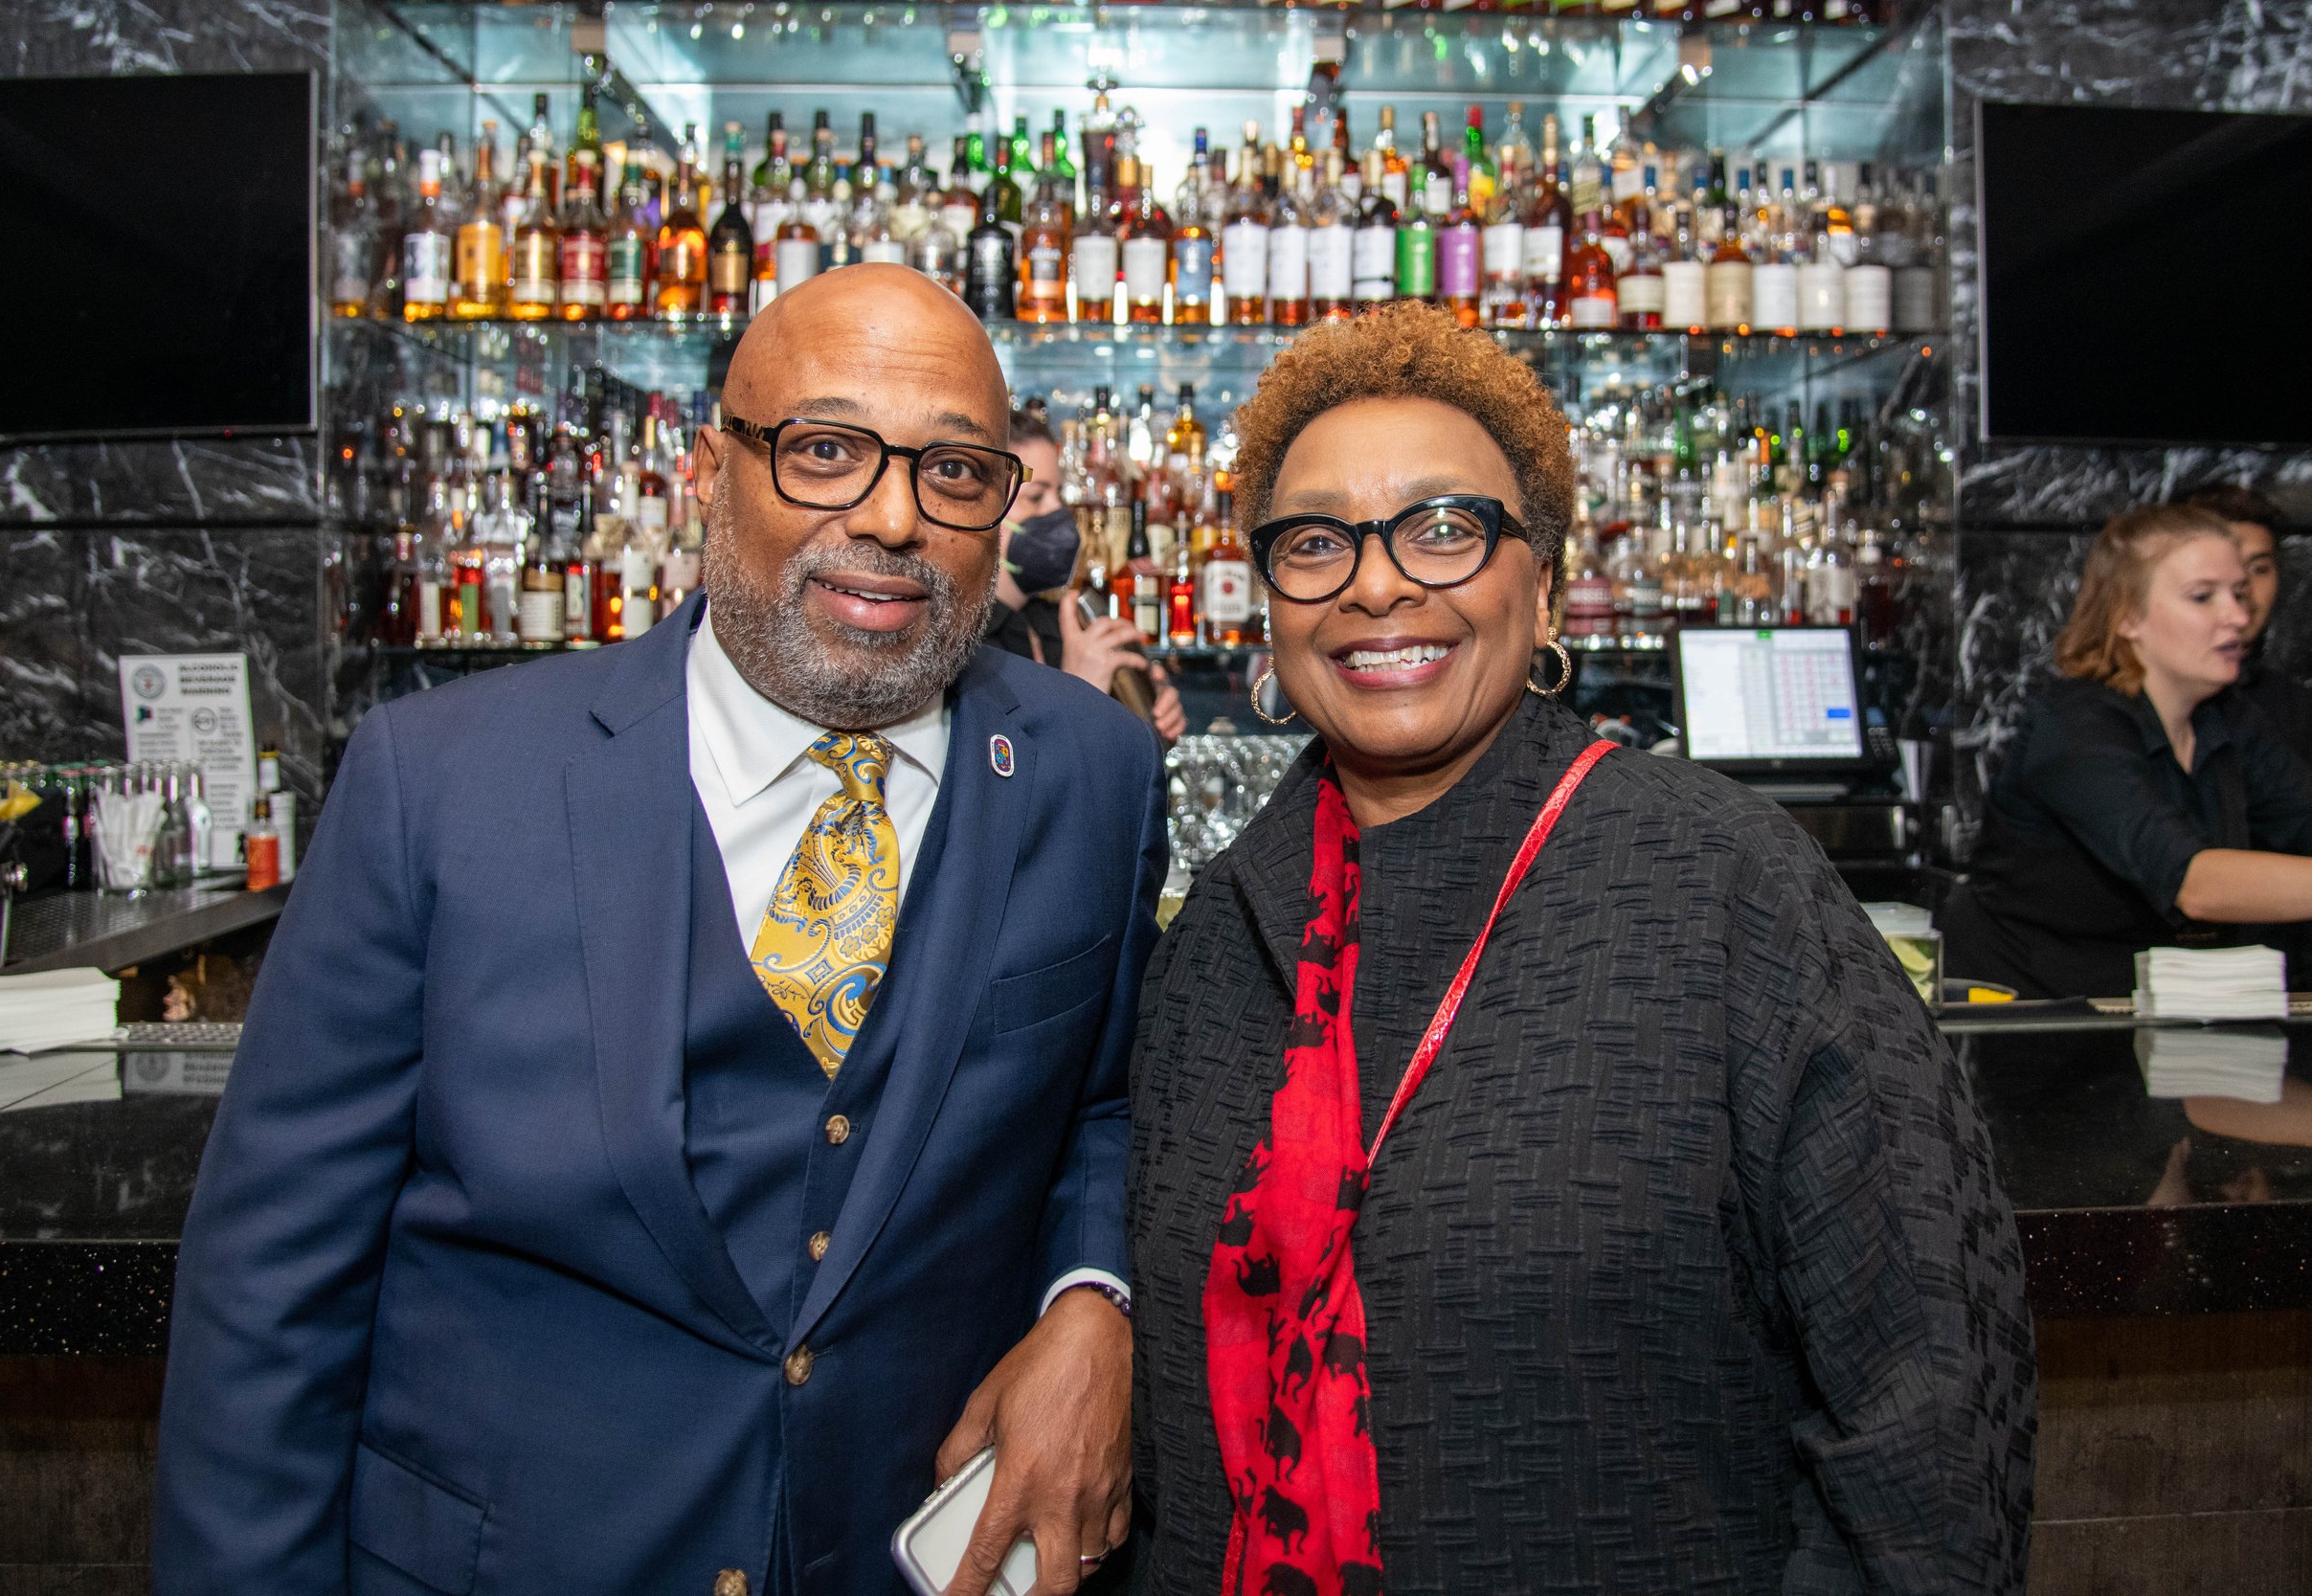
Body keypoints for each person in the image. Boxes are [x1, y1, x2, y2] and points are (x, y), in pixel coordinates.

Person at [153, 264, 1164, 1596]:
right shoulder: (441, 781)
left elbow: (1100, 1100)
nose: (888, 517)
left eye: (955, 472)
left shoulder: (1095, 770)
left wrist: (1093, 1294)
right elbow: (269, 1301)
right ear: (707, 469)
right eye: (823, 451)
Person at [1126, 303, 2035, 1595]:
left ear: (1541, 582)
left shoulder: (1724, 884)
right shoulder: (1222, 928)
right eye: (1318, 542)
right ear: (1269, 607)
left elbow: (1931, 1399)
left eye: (1445, 528)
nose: (1380, 583)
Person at [1942, 505, 2312, 1000]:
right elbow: (2193, 883)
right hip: (2030, 1023)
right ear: (2128, 617)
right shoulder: (2075, 727)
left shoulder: (2227, 715)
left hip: (2158, 1013)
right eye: (2203, 597)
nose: (2239, 617)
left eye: (2240, 594)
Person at [985, 406, 1188, 743]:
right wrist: (1079, 691)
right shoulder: (962, 648)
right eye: (1036, 497)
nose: (1056, 511)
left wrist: (1149, 711)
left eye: (1059, 495)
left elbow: (1118, 771)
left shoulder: (1060, 622)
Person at [2184, 482, 2312, 758]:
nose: (2243, 588)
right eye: (2222, 567)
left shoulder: (2297, 710)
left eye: (2259, 569)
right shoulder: (2114, 710)